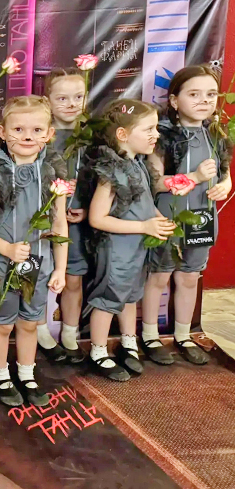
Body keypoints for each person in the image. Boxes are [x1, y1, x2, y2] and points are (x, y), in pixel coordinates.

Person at [0, 96, 68, 407]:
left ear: (49, 134)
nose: (28, 136)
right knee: (3, 322)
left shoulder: (53, 175)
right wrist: (6, 248)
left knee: (30, 322)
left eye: (36, 130)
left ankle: (27, 374)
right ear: (3, 132)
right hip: (0, 262)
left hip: (38, 263)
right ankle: (0, 375)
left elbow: (59, 223)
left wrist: (60, 268)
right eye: (18, 129)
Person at [142, 65, 232, 366]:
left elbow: (224, 172)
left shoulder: (216, 133)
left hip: (202, 218)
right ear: (174, 100)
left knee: (190, 276)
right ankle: (150, 336)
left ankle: (183, 336)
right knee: (159, 276)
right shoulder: (162, 136)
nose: (204, 100)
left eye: (211, 94)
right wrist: (193, 177)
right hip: (168, 217)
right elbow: (154, 181)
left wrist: (225, 184)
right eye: (194, 94)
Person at [83, 99, 174, 381]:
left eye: (155, 128)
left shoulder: (138, 164)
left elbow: (144, 203)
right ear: (123, 134)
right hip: (118, 251)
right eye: (148, 129)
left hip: (136, 249)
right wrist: (144, 226)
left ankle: (128, 342)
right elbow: (97, 218)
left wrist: (158, 219)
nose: (155, 135)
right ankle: (99, 352)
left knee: (131, 295)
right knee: (108, 299)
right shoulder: (112, 172)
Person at [37, 69, 90, 364]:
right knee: (41, 278)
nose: (71, 104)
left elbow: (102, 180)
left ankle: (70, 334)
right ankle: (41, 331)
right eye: (62, 98)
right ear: (48, 100)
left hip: (77, 223)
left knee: (72, 280)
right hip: (44, 223)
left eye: (78, 97)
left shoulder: (90, 136)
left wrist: (87, 208)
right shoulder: (40, 135)